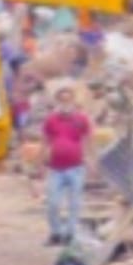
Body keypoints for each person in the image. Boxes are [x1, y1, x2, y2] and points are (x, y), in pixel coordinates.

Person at [40, 85, 91, 247]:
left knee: (74, 203)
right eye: (62, 100)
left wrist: (90, 159)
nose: (65, 103)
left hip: (76, 168)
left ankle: (70, 234)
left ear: (73, 101)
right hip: (56, 169)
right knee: (53, 203)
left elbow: (88, 139)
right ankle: (56, 233)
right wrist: (41, 162)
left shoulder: (81, 119)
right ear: (57, 102)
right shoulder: (51, 120)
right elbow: (45, 141)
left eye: (68, 100)